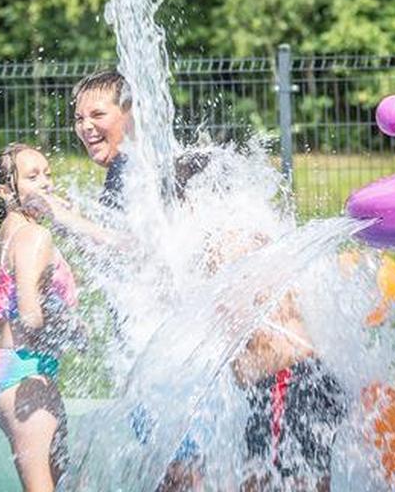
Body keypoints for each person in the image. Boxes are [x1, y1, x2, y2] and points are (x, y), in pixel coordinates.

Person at [174, 151, 347, 492]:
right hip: (290, 383)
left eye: (179, 202)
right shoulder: (248, 235)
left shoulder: (226, 243)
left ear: (195, 197)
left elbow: (232, 315)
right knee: (282, 483)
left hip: (287, 382)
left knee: (270, 484)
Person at [0, 143, 84, 492]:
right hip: (25, 374)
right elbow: (30, 316)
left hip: (0, 374)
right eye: (32, 176)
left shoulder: (0, 242)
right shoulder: (35, 236)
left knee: (70, 484)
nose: (46, 183)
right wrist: (73, 328)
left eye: (48, 173)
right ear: (5, 190)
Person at [72, 69, 132, 210]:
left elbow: (110, 232)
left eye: (98, 114)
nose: (85, 126)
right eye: (79, 119)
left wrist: (60, 216)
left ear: (130, 116)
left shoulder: (126, 168)